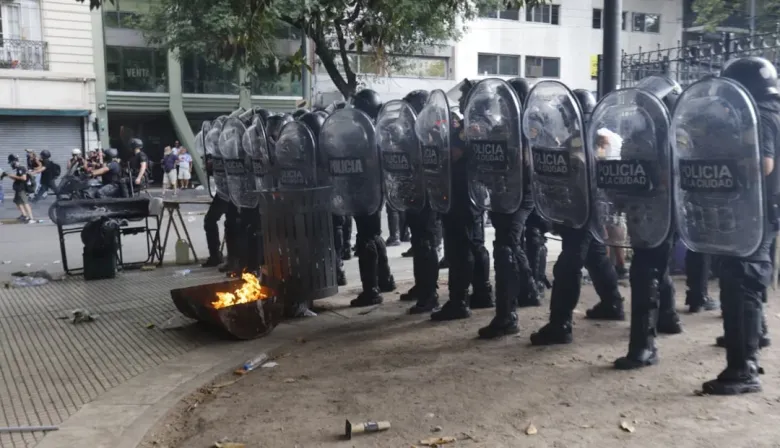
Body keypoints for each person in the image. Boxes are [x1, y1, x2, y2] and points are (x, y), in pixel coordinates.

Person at [698, 57, 779, 395]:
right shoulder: (775, 109)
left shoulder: (757, 115)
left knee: (739, 280)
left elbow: (763, 163)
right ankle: (754, 337)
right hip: (768, 208)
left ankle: (742, 369)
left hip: (752, 210)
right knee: (753, 275)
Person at [529, 89, 626, 346]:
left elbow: (581, 168)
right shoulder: (592, 135)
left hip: (582, 207)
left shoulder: (585, 138)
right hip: (588, 208)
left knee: (568, 265)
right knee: (595, 255)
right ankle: (612, 303)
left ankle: (560, 325)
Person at [430, 110, 495, 320]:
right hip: (476, 192)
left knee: (459, 248)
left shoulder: (466, 128)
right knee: (476, 244)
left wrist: (439, 144)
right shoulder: (491, 126)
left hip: (460, 193)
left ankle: (458, 301)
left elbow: (453, 154)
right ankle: (483, 293)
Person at [348, 89, 396, 307]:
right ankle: (385, 280)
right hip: (376, 189)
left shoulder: (366, 131)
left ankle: (371, 290)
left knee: (365, 238)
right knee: (374, 234)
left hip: (366, 188)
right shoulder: (381, 128)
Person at [4, 154, 34, 222]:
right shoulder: (18, 169)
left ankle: (31, 218)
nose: (11, 164)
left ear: (14, 162)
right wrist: (8, 175)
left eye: (11, 162)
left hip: (21, 188)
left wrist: (12, 175)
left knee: (25, 202)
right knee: (17, 202)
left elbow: (23, 178)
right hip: (18, 188)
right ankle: (24, 215)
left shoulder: (21, 168)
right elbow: (16, 179)